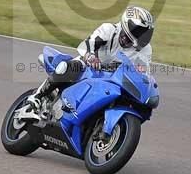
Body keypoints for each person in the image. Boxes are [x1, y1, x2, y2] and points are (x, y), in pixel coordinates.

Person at [25, 6, 155, 114]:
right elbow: (88, 44)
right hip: (89, 67)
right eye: (140, 31)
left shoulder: (145, 50)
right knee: (69, 67)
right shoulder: (109, 30)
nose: (143, 36)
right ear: (128, 25)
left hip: (113, 80)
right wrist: (91, 57)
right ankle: (37, 96)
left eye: (146, 33)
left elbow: (143, 72)